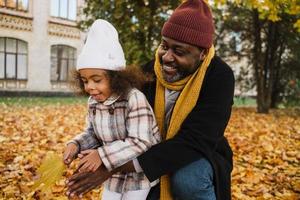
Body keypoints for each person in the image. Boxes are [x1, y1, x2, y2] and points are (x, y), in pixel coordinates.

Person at [67, 0, 235, 200]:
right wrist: (83, 149)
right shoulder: (148, 73)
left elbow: (195, 141)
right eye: (165, 46)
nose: (166, 57)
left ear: (202, 53)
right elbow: (118, 123)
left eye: (179, 52)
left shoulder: (219, 76)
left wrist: (110, 166)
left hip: (198, 152)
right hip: (149, 147)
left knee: (188, 181)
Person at [63, 19, 161, 200]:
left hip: (138, 173)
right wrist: (76, 144)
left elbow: (141, 141)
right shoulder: (93, 102)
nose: (90, 87)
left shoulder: (134, 98)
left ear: (116, 78)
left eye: (97, 79)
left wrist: (101, 154)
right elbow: (92, 133)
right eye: (85, 81)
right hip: (113, 173)